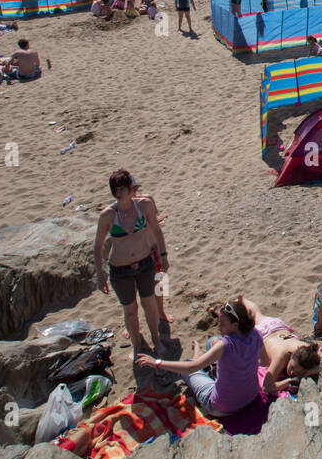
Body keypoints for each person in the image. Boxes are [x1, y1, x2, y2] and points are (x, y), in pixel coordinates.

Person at [137, 295, 267, 416]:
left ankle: (198, 357)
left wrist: (156, 363)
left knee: (187, 367)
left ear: (235, 325)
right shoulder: (256, 334)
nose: (218, 325)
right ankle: (207, 363)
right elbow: (263, 361)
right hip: (251, 396)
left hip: (222, 408)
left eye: (222, 323)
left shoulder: (226, 345)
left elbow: (191, 367)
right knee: (213, 341)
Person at [95, 169, 168, 354]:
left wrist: (163, 255)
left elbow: (157, 231)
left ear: (129, 188)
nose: (119, 192)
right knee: (130, 310)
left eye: (122, 188)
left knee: (149, 304)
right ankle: (137, 346)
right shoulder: (107, 215)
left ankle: (156, 340)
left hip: (145, 263)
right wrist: (100, 274)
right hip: (120, 270)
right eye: (115, 188)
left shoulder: (144, 205)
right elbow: (98, 246)